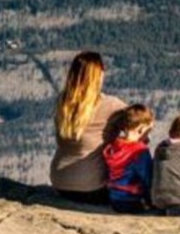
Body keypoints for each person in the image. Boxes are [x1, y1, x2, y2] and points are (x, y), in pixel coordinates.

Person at [49, 51, 126, 204]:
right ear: (98, 75)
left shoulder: (63, 101)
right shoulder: (110, 105)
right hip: (92, 188)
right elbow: (139, 120)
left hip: (59, 182)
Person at [103, 103, 155, 213]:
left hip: (114, 198)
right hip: (132, 200)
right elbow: (147, 179)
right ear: (141, 129)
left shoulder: (114, 145)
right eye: (148, 130)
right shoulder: (140, 151)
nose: (149, 135)